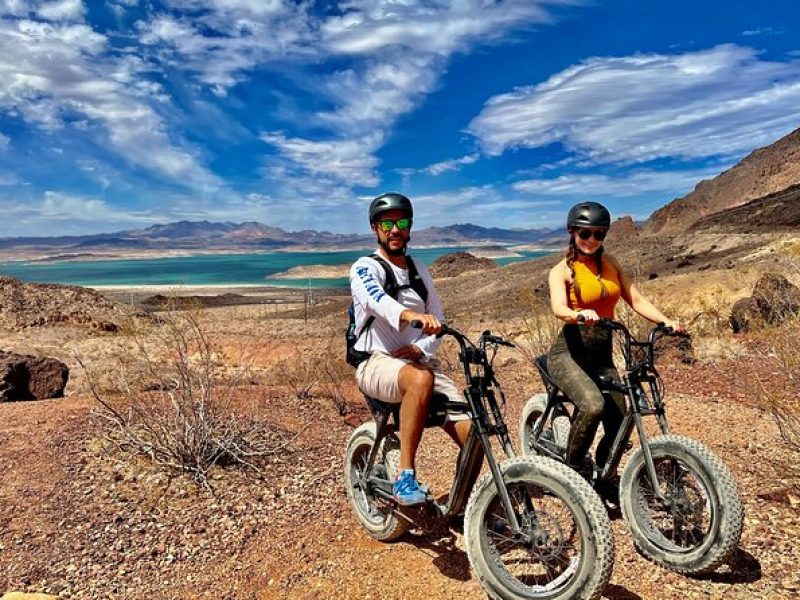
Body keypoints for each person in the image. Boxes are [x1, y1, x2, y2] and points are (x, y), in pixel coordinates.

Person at [546, 201, 684, 497]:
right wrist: (578, 314)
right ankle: (571, 471)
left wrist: (666, 321)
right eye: (585, 233)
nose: (592, 240)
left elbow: (635, 299)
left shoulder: (612, 265)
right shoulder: (562, 270)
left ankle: (603, 470)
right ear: (572, 232)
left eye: (599, 234)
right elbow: (558, 307)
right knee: (593, 405)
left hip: (601, 353)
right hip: (569, 353)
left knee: (622, 416)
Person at [349, 192, 472, 506]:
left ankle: (463, 505)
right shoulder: (364, 268)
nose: (395, 229)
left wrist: (421, 348)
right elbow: (378, 301)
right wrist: (411, 316)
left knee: (474, 434)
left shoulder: (419, 269)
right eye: (387, 223)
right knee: (419, 380)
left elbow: (439, 317)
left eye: (401, 222)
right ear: (375, 228)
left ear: (410, 226)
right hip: (375, 362)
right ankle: (405, 475)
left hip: (418, 363)